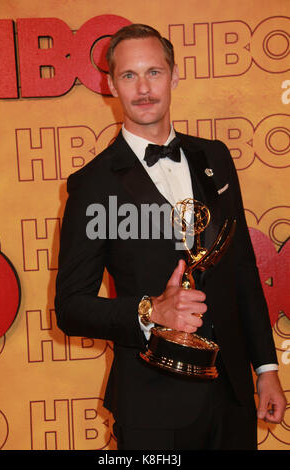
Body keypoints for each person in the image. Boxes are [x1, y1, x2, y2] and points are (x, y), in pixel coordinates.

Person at [55, 24, 286, 450]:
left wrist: (266, 368)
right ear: (110, 84)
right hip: (152, 408)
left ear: (175, 75)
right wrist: (150, 311)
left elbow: (242, 271)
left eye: (154, 73)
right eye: (129, 76)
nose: (143, 89)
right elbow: (70, 308)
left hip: (233, 396)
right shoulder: (93, 184)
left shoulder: (214, 157)